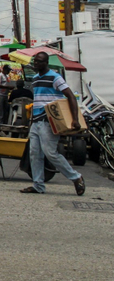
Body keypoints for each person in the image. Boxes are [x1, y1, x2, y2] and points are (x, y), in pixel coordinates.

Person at [21, 52, 86, 196]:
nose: (36, 64)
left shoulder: (55, 77)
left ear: (46, 63)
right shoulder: (36, 78)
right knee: (34, 153)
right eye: (35, 61)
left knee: (50, 152)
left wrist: (74, 118)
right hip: (36, 121)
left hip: (48, 120)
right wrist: (31, 120)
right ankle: (38, 185)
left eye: (39, 62)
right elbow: (37, 100)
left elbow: (70, 96)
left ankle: (76, 177)